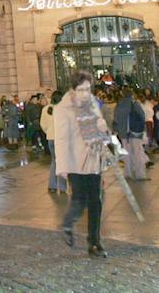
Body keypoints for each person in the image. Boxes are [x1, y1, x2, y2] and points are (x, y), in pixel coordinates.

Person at [56, 71, 111, 258]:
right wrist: (62, 166)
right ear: (73, 89)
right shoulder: (62, 109)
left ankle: (94, 242)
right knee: (80, 199)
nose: (85, 93)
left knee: (96, 200)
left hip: (93, 158)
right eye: (81, 89)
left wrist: (104, 129)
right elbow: (61, 139)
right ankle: (68, 223)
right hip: (74, 161)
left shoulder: (93, 104)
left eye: (88, 89)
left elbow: (101, 131)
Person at [43, 90, 68, 193]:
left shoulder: (45, 109)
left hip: (50, 138)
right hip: (61, 139)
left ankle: (52, 185)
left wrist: (48, 132)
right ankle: (62, 187)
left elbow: (43, 124)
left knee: (54, 161)